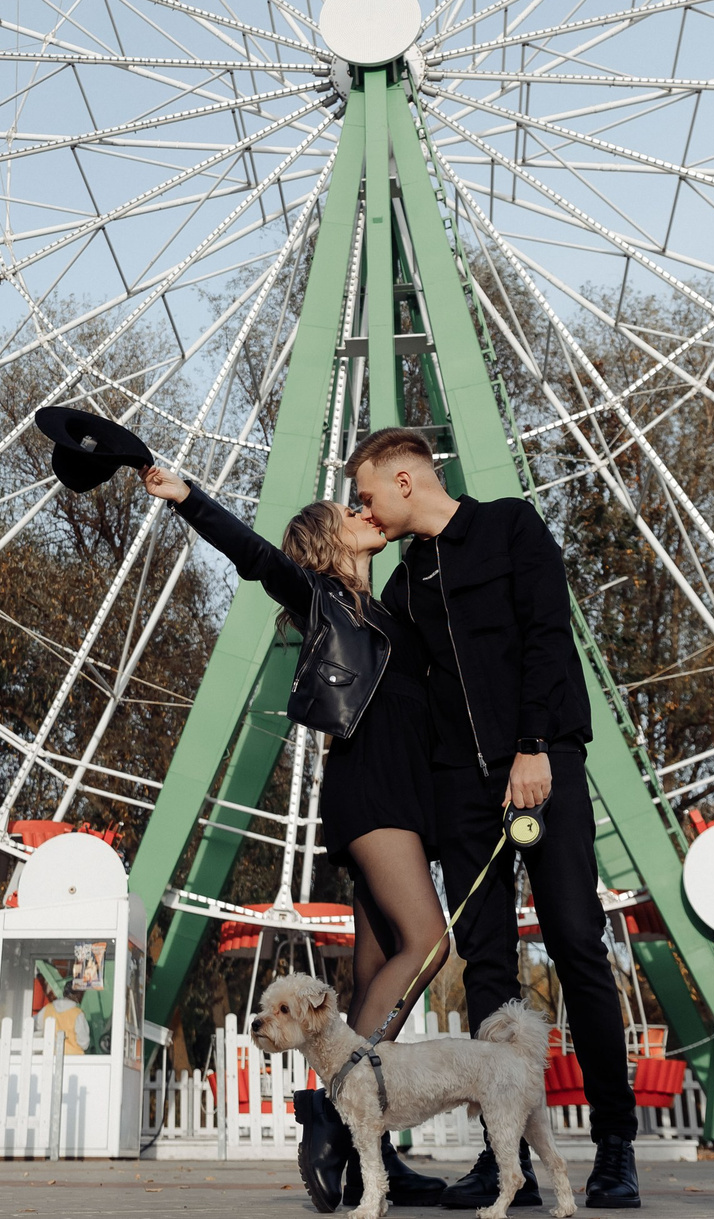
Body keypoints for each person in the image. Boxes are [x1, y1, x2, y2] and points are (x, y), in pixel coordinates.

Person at [348, 427, 641, 1212]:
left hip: (542, 765)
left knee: (578, 940)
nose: (363, 509)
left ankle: (616, 1147)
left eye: (367, 495)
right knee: (485, 964)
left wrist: (535, 745)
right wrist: (356, 557)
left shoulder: (512, 526)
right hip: (462, 787)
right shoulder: (406, 584)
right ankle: (498, 1153)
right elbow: (389, 680)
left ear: (406, 480)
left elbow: (548, 636)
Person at [140, 465, 447, 1210]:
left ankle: (372, 1142)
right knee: (429, 944)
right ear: (322, 544)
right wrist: (191, 498)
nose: (362, 511)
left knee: (378, 981)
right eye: (349, 509)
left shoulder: (396, 610)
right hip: (370, 788)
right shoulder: (323, 598)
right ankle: (332, 1116)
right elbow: (256, 556)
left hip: (407, 791)